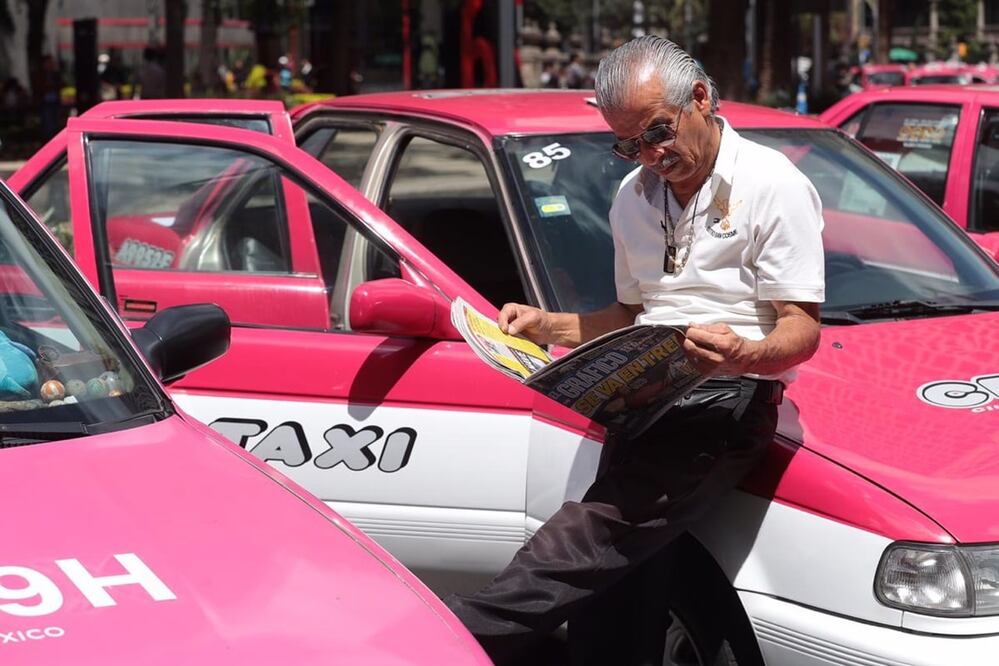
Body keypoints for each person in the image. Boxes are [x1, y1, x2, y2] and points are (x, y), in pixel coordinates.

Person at [445, 35, 825, 664]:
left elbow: (800, 331)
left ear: (699, 98)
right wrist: (545, 326)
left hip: (724, 400)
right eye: (629, 144)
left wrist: (740, 354)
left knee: (587, 535)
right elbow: (628, 317)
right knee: (615, 590)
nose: (650, 156)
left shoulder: (772, 184)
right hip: (647, 393)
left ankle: (452, 635)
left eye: (657, 132)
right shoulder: (631, 197)